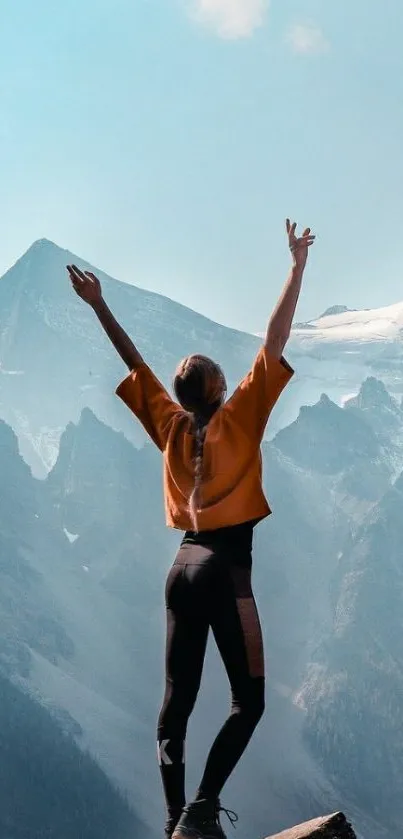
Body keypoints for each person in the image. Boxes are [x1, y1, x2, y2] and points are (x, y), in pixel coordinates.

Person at [67, 219, 315, 839]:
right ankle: (204, 809)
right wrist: (296, 266)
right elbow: (276, 336)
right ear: (224, 389)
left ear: (181, 395)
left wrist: (101, 306)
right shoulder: (240, 419)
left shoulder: (171, 429)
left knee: (177, 701)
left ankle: (175, 819)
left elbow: (134, 363)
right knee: (248, 701)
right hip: (227, 568)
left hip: (180, 569)